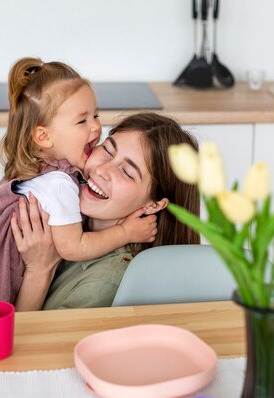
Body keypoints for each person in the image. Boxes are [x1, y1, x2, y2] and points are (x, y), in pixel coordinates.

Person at [0, 58, 156, 314]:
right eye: (82, 121)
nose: (96, 127)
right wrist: (126, 232)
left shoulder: (38, 167)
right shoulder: (59, 184)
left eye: (96, 115)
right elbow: (73, 246)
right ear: (44, 137)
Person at [11, 112, 201, 310]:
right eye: (108, 150)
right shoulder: (62, 203)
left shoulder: (105, 282)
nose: (102, 170)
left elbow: (27, 341)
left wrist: (39, 270)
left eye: (127, 172)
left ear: (154, 205)